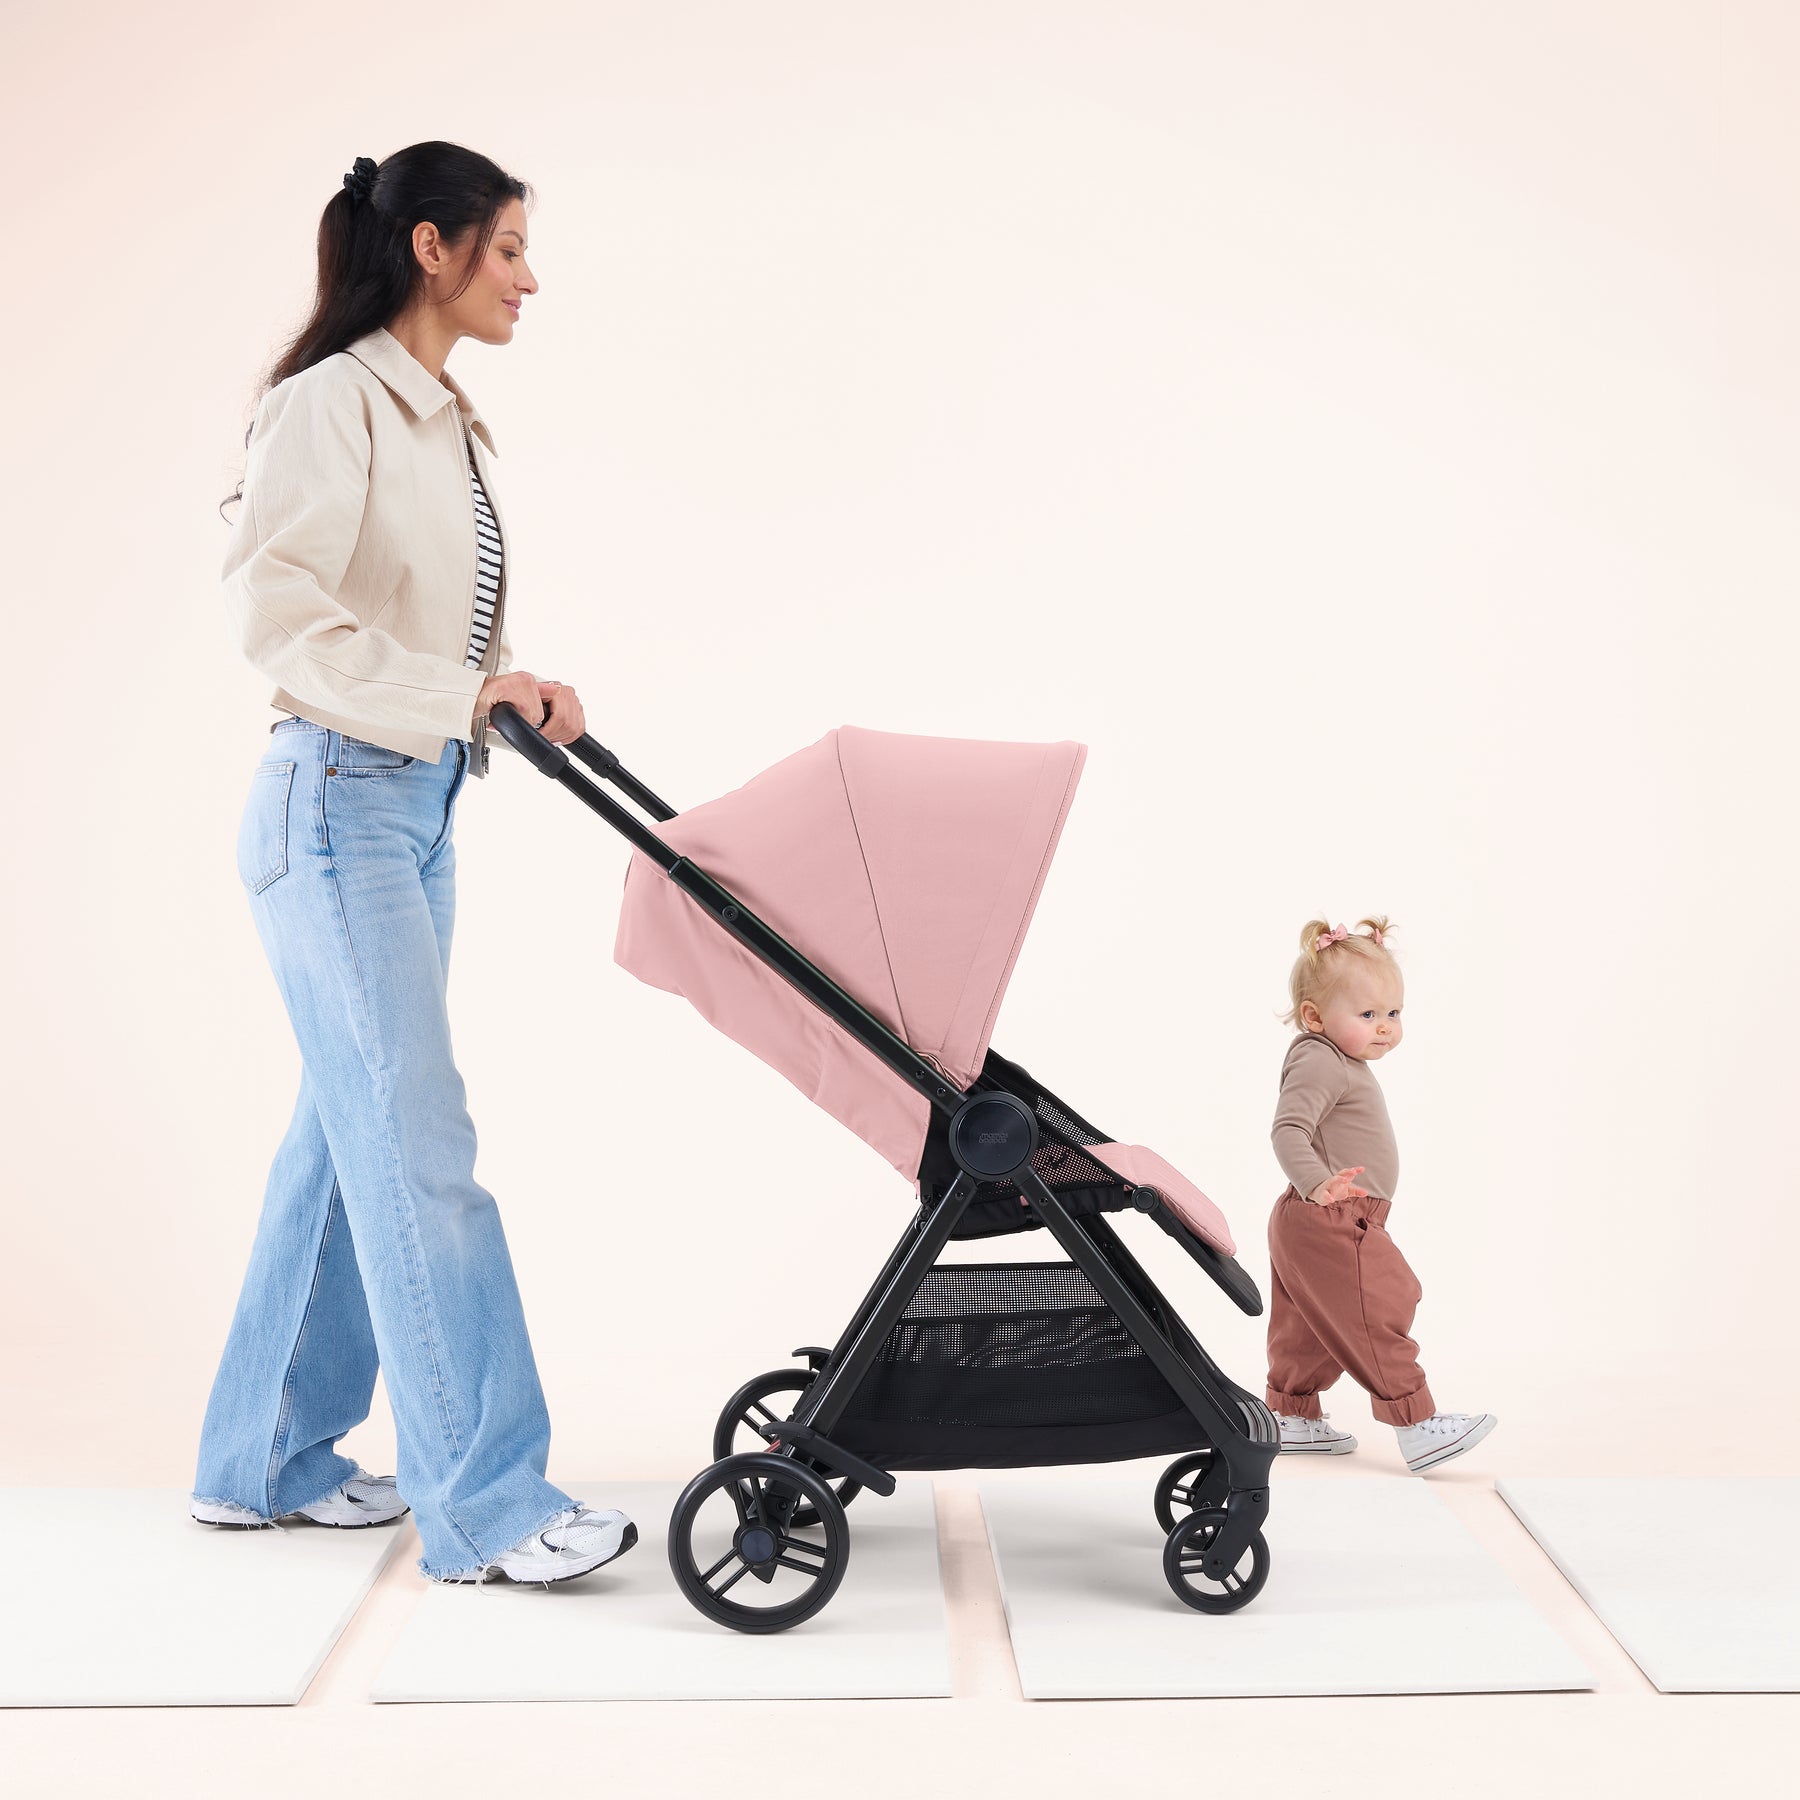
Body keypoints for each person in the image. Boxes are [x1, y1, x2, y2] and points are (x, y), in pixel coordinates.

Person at [191, 143, 635, 1586]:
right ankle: (491, 1507)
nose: (529, 278)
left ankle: (264, 1457)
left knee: (351, 1133)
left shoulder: (445, 422)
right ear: (431, 247)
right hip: (335, 805)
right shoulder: (333, 403)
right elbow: (281, 618)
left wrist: (506, 687)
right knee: (417, 1147)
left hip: (415, 805)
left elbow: (416, 627)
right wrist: (460, 695)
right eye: (508, 248)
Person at [1263, 917, 1497, 1474]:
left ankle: (1291, 1416)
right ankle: (1417, 1425)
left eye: (1393, 1013)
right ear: (1315, 1017)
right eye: (1367, 1015)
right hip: (1330, 1212)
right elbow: (1288, 1130)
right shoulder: (1321, 1058)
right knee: (1381, 1303)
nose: (1385, 1027)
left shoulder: (1338, 1060)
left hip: (1310, 1217)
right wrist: (1318, 1184)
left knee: (1311, 1325)